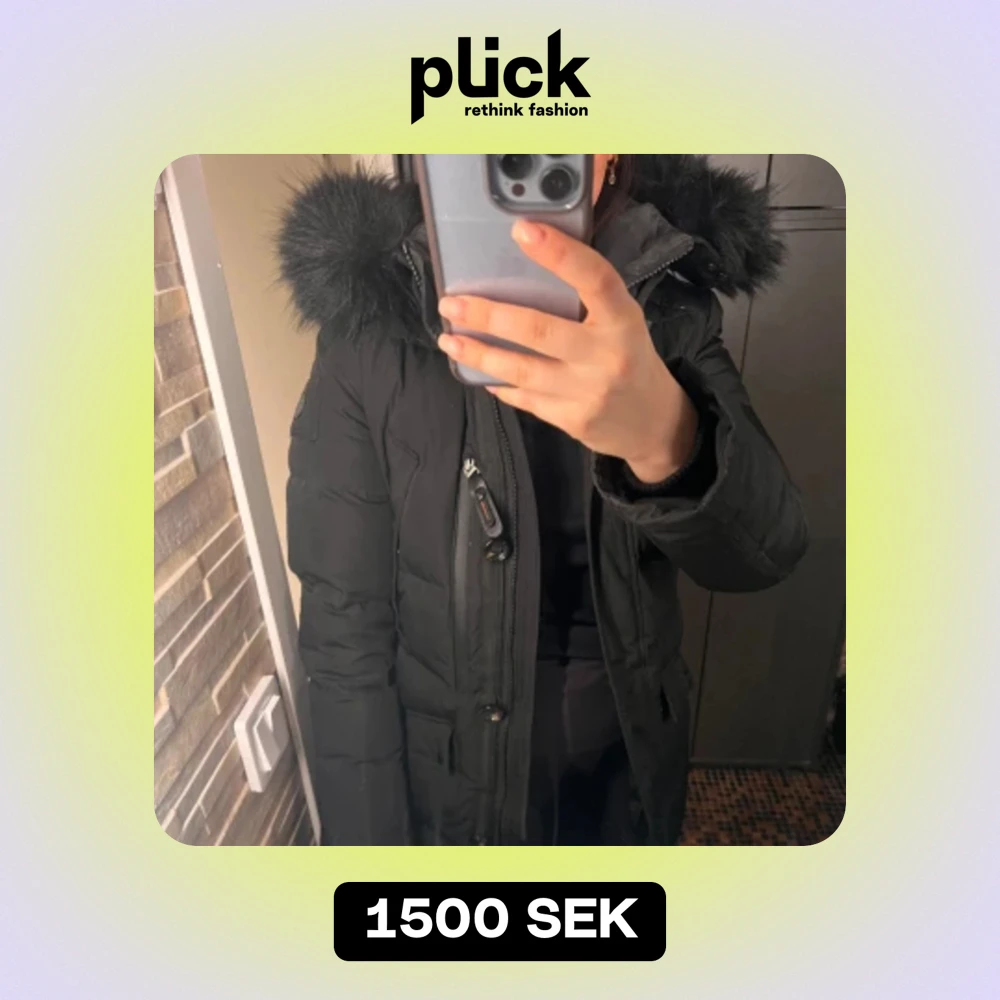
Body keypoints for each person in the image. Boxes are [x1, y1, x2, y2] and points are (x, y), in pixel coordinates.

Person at [278, 154, 808, 846]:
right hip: (450, 794)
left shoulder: (670, 301)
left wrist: (666, 436)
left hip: (626, 776)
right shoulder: (368, 327)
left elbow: (766, 551)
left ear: (613, 153)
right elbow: (345, 631)